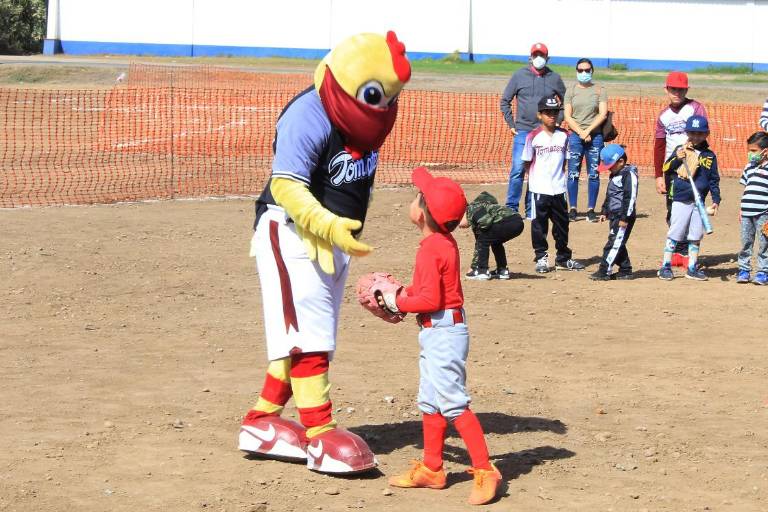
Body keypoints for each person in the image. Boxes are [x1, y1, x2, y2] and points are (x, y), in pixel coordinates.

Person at [238, 31, 411, 474]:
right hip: (291, 230)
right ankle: (320, 432)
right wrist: (325, 223)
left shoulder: (367, 118)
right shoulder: (308, 113)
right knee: (309, 336)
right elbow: (286, 184)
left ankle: (261, 420)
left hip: (331, 241)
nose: (384, 106)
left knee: (308, 336)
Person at [374, 167, 502, 506]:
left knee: (454, 403)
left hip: (444, 332)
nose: (413, 199)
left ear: (422, 213)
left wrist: (397, 301)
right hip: (439, 330)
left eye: (418, 196)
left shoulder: (431, 249)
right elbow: (429, 291)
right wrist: (405, 292)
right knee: (430, 400)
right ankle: (432, 469)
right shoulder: (440, 242)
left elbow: (429, 300)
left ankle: (485, 470)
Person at [500, 42, 566, 216]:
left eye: (541, 55)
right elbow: (505, 101)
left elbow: (566, 102)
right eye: (535, 55)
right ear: (530, 57)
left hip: (544, 133)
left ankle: (532, 209)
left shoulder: (554, 78)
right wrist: (511, 124)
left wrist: (558, 121)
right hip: (523, 131)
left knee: (538, 172)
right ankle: (512, 208)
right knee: (518, 170)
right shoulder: (519, 75)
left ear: (547, 58)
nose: (538, 58)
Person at [524, 95, 585, 273]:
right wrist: (536, 179)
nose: (552, 116)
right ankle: (541, 258)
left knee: (562, 225)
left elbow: (565, 160)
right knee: (539, 225)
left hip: (559, 188)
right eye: (547, 112)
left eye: (555, 112)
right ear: (539, 115)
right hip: (539, 189)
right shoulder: (533, 136)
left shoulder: (564, 135)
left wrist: (558, 178)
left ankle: (563, 258)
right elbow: (527, 161)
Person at [654, 71, 708, 266]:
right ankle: (677, 248)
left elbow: (702, 136)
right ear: (666, 89)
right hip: (672, 169)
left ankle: (686, 252)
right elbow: (659, 146)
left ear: (687, 90)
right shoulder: (664, 116)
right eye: (673, 89)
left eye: (681, 89)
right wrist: (659, 175)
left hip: (693, 168)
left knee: (692, 209)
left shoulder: (695, 108)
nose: (677, 92)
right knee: (673, 210)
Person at [657, 115, 720, 281]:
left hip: (699, 201)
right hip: (681, 198)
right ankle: (665, 266)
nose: (696, 137)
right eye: (692, 133)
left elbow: (714, 180)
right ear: (687, 133)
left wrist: (716, 200)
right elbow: (666, 168)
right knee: (676, 232)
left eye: (700, 133)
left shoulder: (709, 156)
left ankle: (692, 267)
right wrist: (677, 159)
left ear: (706, 134)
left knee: (696, 235)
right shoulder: (681, 150)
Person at [563, 58, 608, 223]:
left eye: (587, 70)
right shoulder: (571, 90)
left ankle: (590, 209)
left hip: (595, 137)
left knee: (594, 174)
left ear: (592, 71)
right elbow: (567, 116)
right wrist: (581, 132)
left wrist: (588, 131)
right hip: (575, 136)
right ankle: (573, 208)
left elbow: (602, 114)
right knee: (573, 173)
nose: (584, 73)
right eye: (580, 70)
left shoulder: (599, 90)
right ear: (576, 71)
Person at [590, 144, 639, 281]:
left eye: (610, 166)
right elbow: (610, 194)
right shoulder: (615, 174)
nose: (608, 169)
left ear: (621, 161)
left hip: (623, 216)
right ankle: (625, 270)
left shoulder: (629, 174)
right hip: (614, 214)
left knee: (613, 243)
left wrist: (625, 218)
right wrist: (604, 211)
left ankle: (604, 270)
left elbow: (630, 197)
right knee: (618, 242)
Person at [460, 191, 524, 280]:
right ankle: (502, 270)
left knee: (483, 241)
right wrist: (473, 266)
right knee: (495, 242)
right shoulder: (479, 211)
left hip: (508, 221)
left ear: (464, 211)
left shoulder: (472, 209)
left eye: (458, 218)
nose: (458, 224)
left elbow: (485, 222)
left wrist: (474, 268)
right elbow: (479, 243)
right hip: (517, 222)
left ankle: (482, 271)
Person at [736, 131, 768, 285]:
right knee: (746, 242)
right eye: (749, 150)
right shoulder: (749, 167)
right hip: (746, 212)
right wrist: (741, 209)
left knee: (764, 243)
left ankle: (763, 272)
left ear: (765, 151)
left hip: (764, 213)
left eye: (753, 151)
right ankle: (744, 270)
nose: (750, 154)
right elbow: (747, 189)